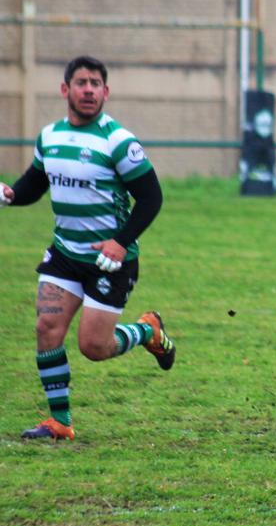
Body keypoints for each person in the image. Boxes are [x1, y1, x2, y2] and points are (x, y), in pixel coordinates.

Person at [0, 55, 176, 441]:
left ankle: (148, 332)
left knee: (94, 347)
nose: (89, 90)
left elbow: (151, 198)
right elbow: (35, 182)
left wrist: (119, 242)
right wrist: (12, 194)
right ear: (66, 89)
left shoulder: (118, 142)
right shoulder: (50, 136)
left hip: (109, 261)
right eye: (81, 83)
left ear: (106, 92)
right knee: (47, 328)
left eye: (96, 84)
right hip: (65, 254)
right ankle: (60, 422)